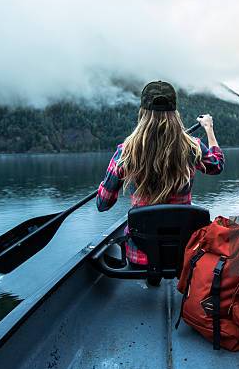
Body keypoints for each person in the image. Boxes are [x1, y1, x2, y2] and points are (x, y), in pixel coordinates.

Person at [96, 80, 224, 266]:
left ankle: (153, 274)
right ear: (175, 113)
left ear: (142, 112)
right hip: (185, 253)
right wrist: (209, 130)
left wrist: (111, 180)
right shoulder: (192, 146)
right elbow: (217, 165)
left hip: (140, 255)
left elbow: (103, 204)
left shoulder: (125, 152)